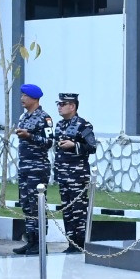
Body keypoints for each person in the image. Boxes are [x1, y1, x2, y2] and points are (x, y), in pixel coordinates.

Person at [52, 92, 98, 254]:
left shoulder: (83, 125)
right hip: (63, 175)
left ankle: (80, 243)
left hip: (77, 176)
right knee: (67, 210)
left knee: (78, 210)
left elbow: (92, 147)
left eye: (62, 104)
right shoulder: (59, 125)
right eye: (59, 104)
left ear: (72, 106)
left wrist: (74, 145)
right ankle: (71, 243)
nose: (59, 107)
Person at [13, 84, 53, 255]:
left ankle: (40, 243)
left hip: (38, 168)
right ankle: (31, 241)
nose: (22, 99)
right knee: (27, 206)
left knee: (37, 205)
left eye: (25, 96)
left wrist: (29, 136)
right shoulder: (24, 117)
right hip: (25, 167)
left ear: (35, 98)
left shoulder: (45, 118)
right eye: (22, 95)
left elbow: (49, 142)